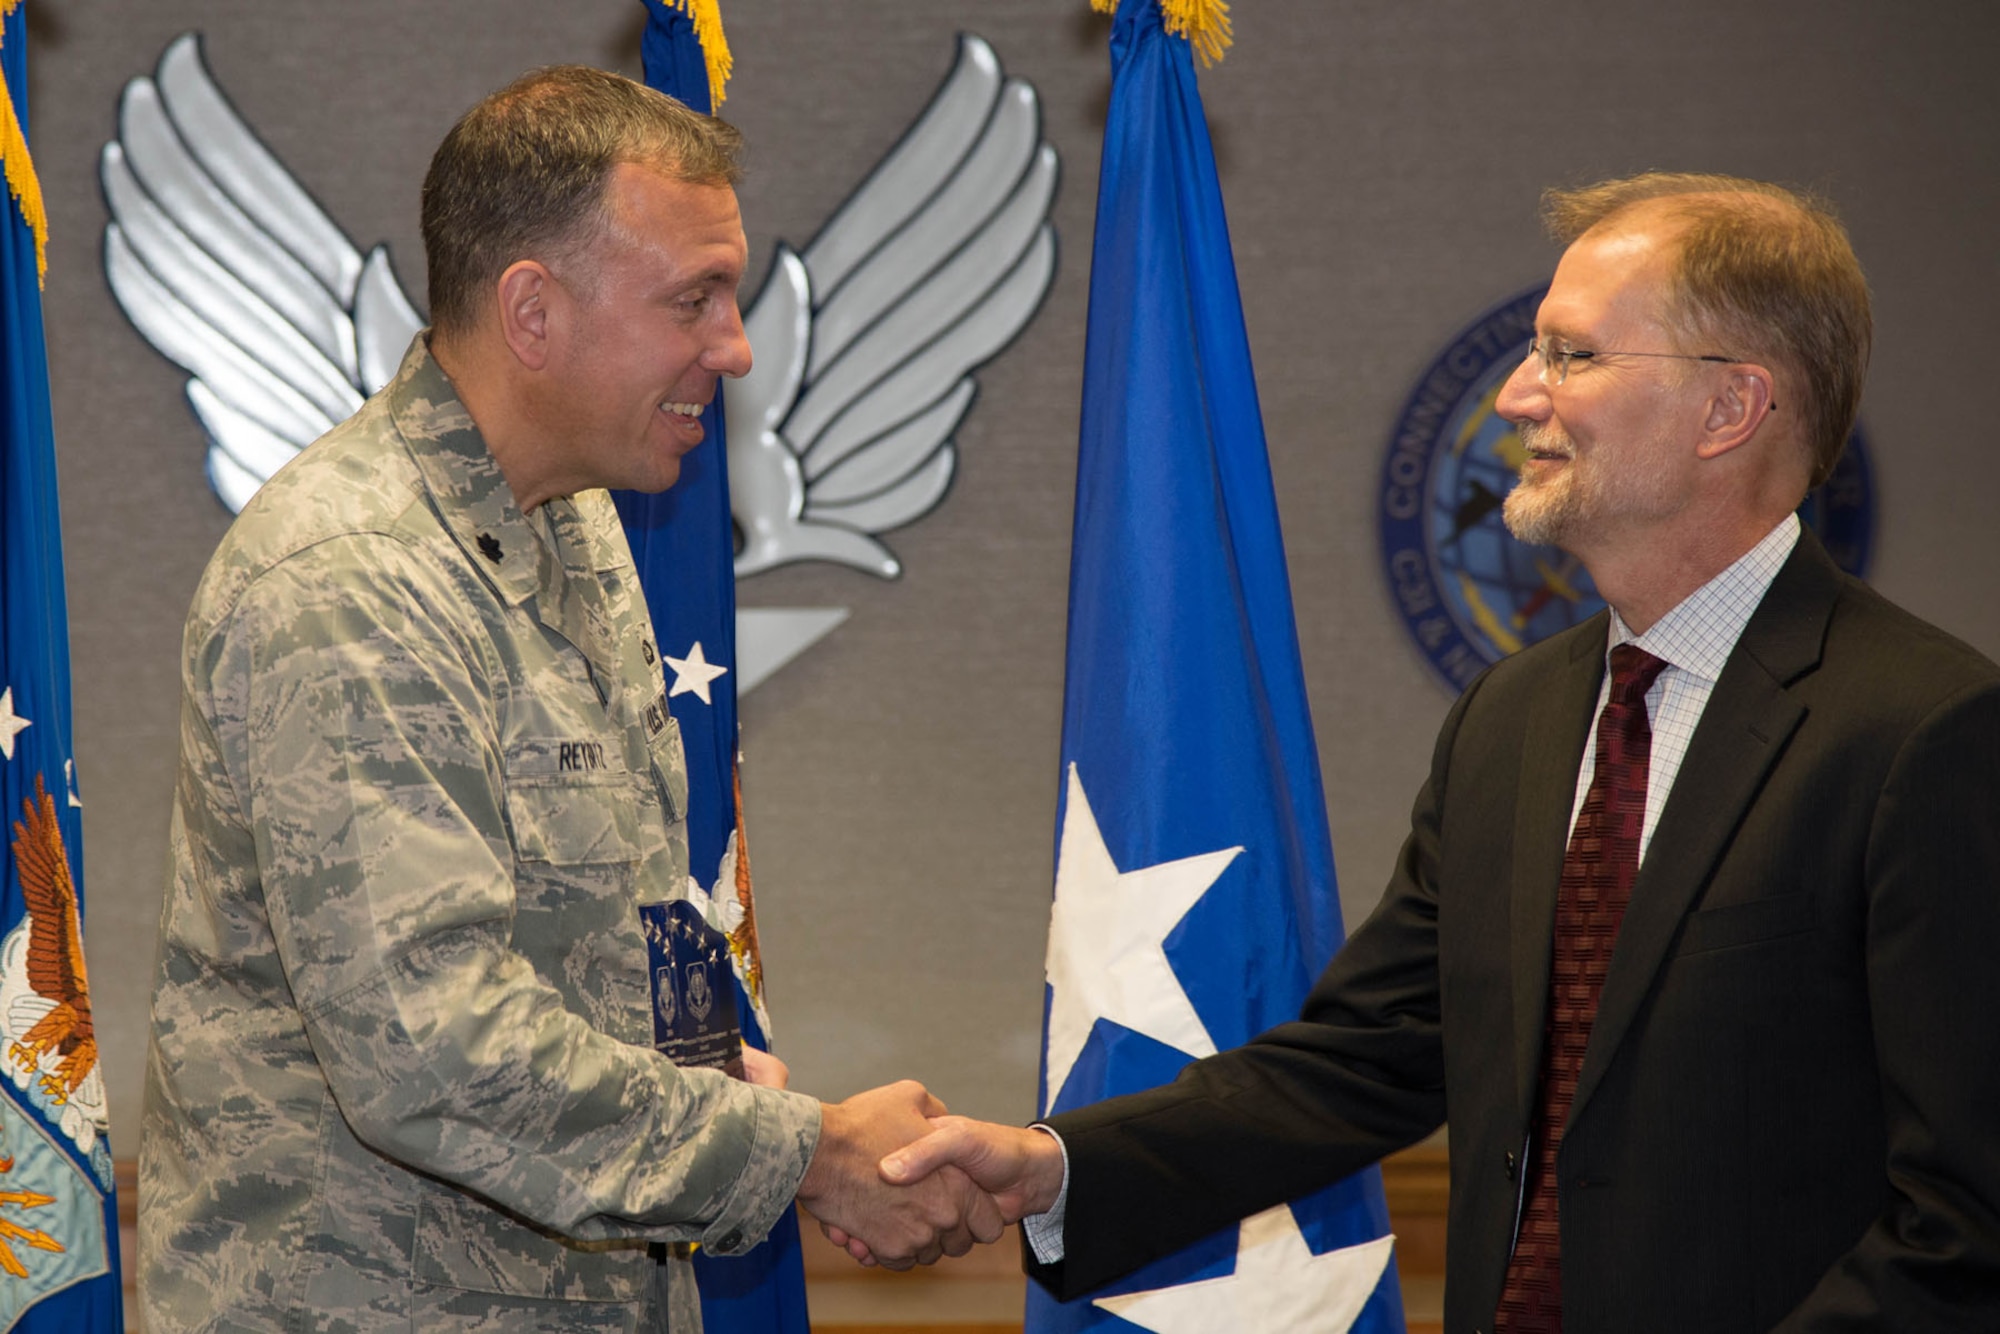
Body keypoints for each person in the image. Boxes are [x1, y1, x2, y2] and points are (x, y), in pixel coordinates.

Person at [864, 173, 2000, 1332]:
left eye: (1570, 355)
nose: (1516, 395)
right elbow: (1363, 1056)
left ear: (1729, 408)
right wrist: (1053, 1166)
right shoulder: (1511, 719)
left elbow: (1966, 1222)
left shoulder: (1927, 732)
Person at [139, 65, 996, 1332]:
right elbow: (429, 1049)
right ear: (531, 312)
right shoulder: (352, 576)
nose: (736, 348)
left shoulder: (575, 525)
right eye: (693, 299)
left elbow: (620, 925)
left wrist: (737, 1086)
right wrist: (799, 1151)